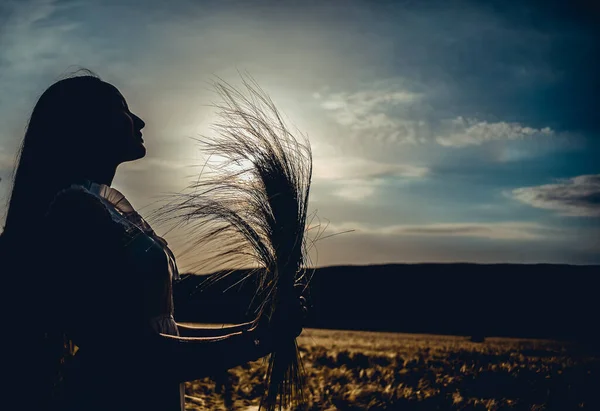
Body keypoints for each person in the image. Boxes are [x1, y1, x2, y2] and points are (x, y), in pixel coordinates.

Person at [1, 71, 307, 411]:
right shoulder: (77, 212)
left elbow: (157, 330)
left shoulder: (95, 207)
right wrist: (257, 341)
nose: (139, 120)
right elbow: (132, 353)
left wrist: (256, 330)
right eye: (121, 107)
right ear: (85, 123)